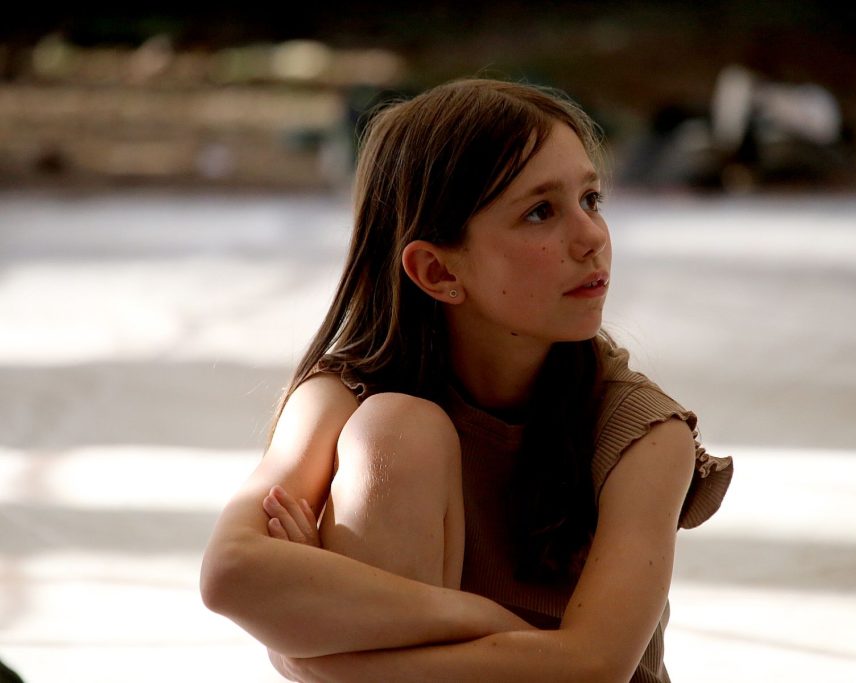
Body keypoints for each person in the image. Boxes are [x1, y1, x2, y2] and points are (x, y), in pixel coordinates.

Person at [200, 78, 733, 682]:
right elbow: (230, 572)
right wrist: (490, 620)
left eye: (591, 199)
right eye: (540, 212)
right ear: (437, 271)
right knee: (394, 430)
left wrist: (316, 654)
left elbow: (591, 669)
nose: (592, 239)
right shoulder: (342, 398)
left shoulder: (643, 434)